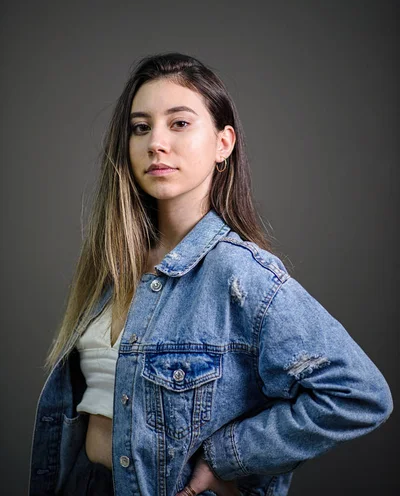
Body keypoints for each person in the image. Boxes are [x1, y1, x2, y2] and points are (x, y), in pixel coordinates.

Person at [29, 52, 393, 496]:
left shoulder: (240, 275)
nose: (155, 143)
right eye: (141, 127)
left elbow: (358, 395)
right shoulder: (112, 266)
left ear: (224, 143)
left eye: (179, 123)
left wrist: (228, 456)